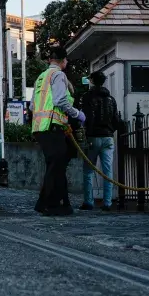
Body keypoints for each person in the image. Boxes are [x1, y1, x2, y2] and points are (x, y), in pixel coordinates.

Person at [31, 45, 85, 215]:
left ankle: (46, 203)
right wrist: (78, 114)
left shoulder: (41, 77)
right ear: (63, 61)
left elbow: (32, 104)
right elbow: (61, 100)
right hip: (53, 126)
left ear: (49, 60)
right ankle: (51, 204)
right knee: (57, 165)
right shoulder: (58, 75)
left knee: (54, 165)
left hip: (40, 127)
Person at [78, 71, 122, 211]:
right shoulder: (111, 99)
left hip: (93, 136)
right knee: (107, 171)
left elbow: (85, 117)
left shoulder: (87, 97)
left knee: (88, 171)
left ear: (91, 80)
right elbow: (116, 119)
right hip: (108, 136)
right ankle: (107, 202)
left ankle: (89, 201)